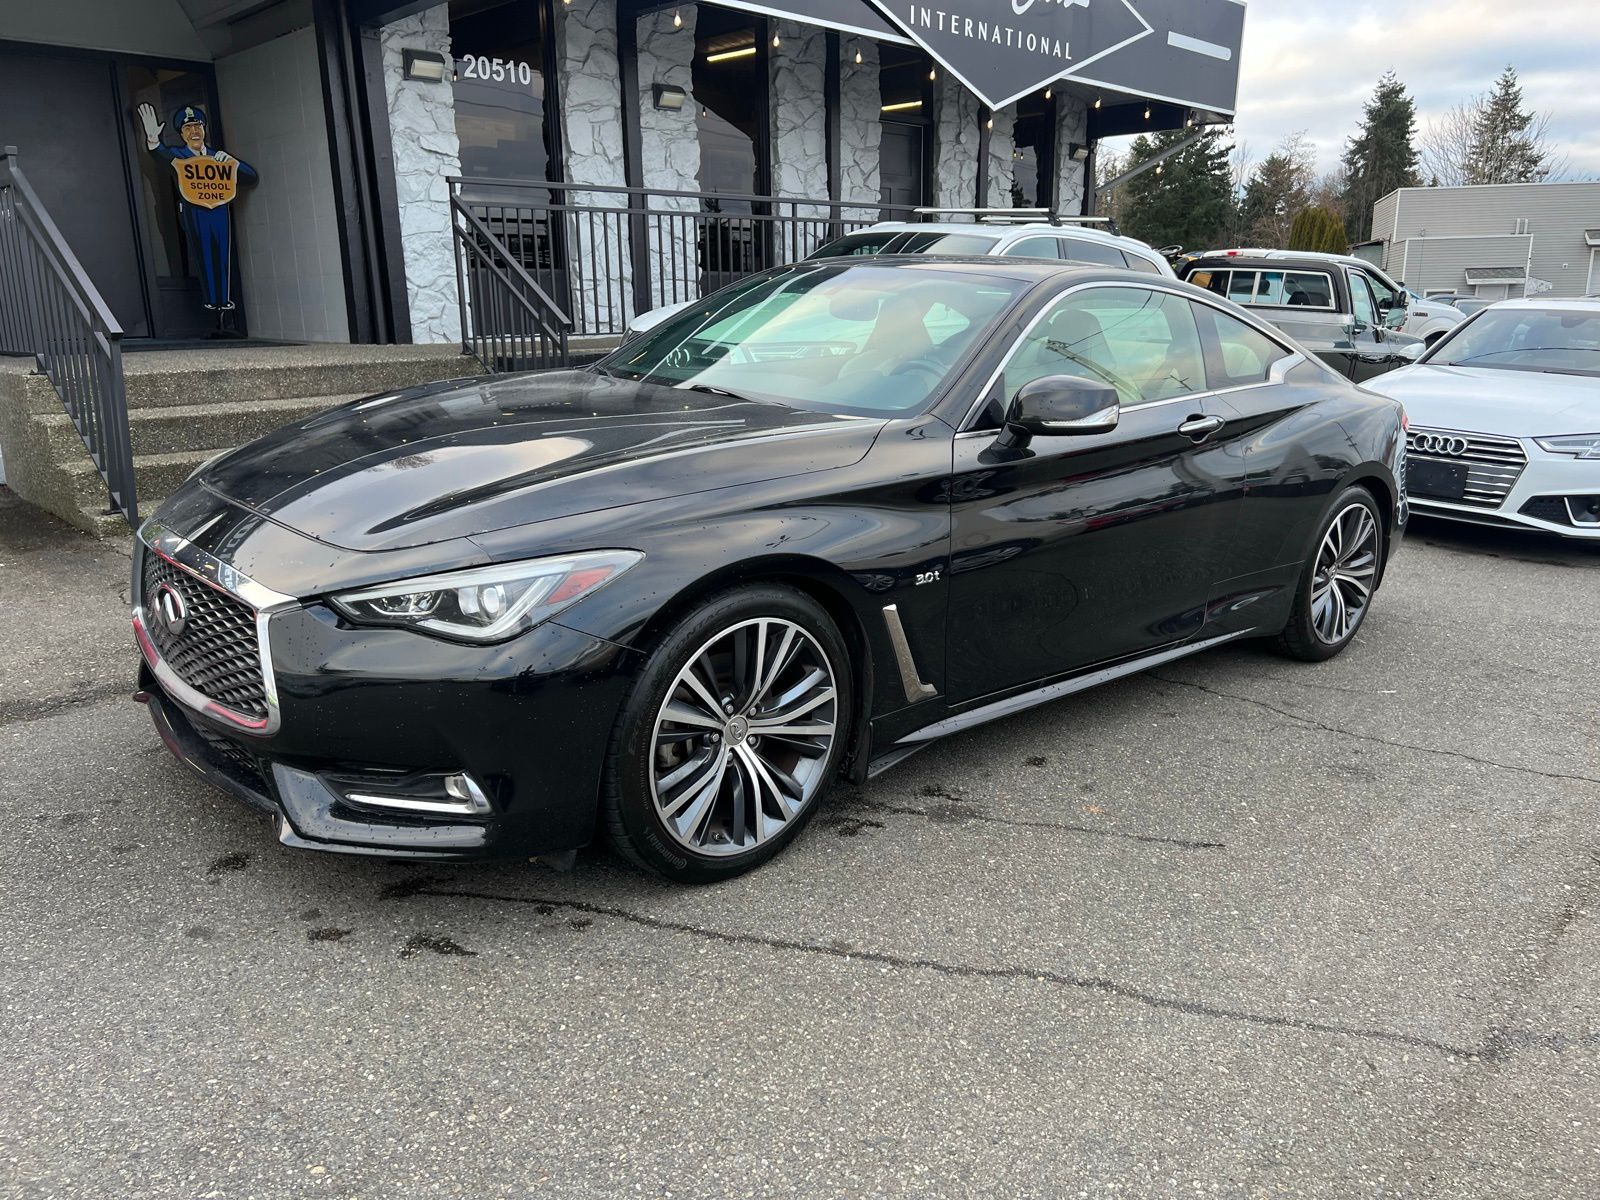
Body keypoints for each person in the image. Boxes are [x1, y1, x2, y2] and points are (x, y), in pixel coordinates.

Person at [135, 103, 257, 312]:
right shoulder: (179, 154)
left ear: (204, 129)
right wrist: (153, 140)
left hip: (219, 210)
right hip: (195, 212)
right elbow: (161, 155)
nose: (194, 132)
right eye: (188, 128)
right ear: (182, 134)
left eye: (197, 126)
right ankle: (213, 303)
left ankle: (223, 302)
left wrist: (232, 162)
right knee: (205, 256)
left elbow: (250, 177)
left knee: (222, 254)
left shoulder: (217, 156)